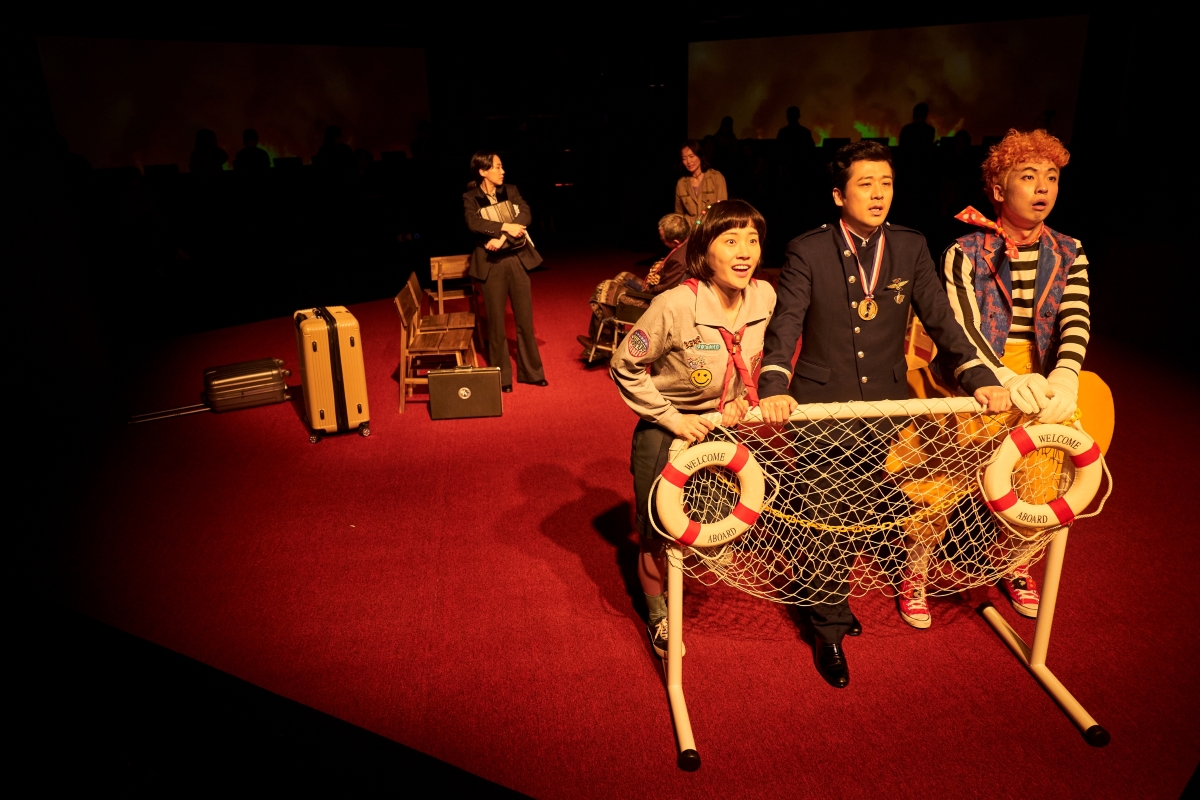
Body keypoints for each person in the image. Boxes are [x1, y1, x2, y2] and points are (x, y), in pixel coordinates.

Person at [756, 141, 1011, 688]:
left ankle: (830, 599)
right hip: (821, 408)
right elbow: (786, 323)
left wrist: (982, 379)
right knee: (823, 517)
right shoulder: (807, 249)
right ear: (838, 194)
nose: (878, 194)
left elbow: (943, 323)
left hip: (886, 407)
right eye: (865, 184)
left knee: (856, 511)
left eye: (886, 183)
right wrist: (774, 384)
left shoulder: (910, 246)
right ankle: (826, 628)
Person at [897, 129, 1091, 628]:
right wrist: (1001, 377)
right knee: (938, 479)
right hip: (971, 376)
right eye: (1028, 176)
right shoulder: (964, 250)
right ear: (999, 189)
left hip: (1040, 381)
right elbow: (960, 327)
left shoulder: (1071, 251)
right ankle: (916, 571)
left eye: (1051, 177)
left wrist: (1065, 376)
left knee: (1040, 476)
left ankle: (1014, 564)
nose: (1043, 187)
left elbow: (1075, 319)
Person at [611, 200, 775, 658]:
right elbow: (624, 365)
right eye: (731, 240)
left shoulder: (764, 296)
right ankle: (657, 614)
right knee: (657, 534)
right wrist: (672, 418)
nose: (744, 251)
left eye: (753, 240)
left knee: (712, 523)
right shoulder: (675, 304)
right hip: (669, 428)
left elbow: (758, 356)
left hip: (722, 428)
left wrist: (744, 395)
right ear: (704, 251)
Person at [464, 151, 547, 391]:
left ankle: (532, 372)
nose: (503, 171)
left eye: (502, 166)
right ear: (483, 171)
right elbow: (474, 223)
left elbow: (525, 214)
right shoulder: (471, 197)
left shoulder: (510, 190)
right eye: (497, 167)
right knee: (496, 325)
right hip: (491, 265)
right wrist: (505, 226)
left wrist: (502, 237)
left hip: (516, 260)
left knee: (525, 320)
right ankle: (502, 378)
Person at [674, 140, 727, 226]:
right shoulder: (681, 184)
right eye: (684, 158)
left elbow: (722, 208)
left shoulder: (716, 177)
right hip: (690, 230)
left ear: (700, 155)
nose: (688, 161)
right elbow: (678, 215)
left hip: (711, 227)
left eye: (691, 156)